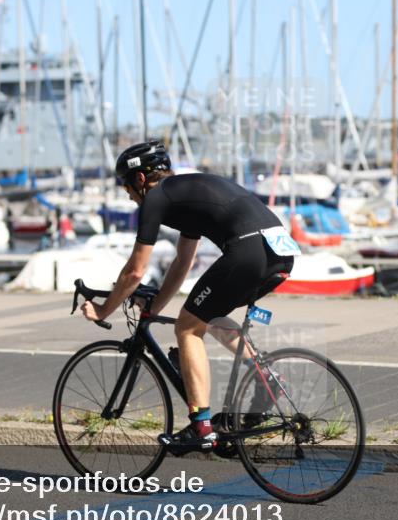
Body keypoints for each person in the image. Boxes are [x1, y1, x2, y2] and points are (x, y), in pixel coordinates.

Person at [81, 140, 298, 454]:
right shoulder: (185, 192)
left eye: (126, 186)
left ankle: (202, 426)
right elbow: (182, 262)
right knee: (202, 315)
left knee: (186, 327)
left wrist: (103, 311)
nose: (127, 195)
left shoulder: (156, 198)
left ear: (140, 179)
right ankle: (266, 378)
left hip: (248, 250)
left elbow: (135, 272)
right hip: (280, 252)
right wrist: (155, 307)